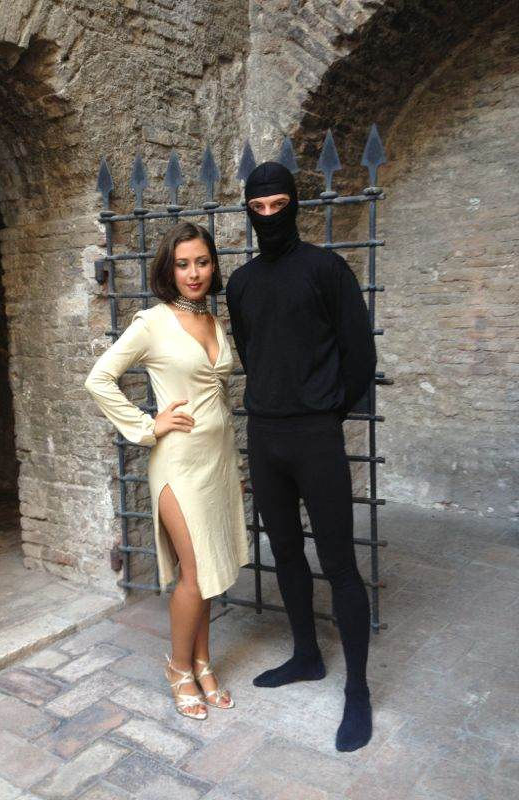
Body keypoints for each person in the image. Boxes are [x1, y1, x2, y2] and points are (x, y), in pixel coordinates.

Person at [226, 162, 376, 752]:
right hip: (265, 436)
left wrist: (325, 412)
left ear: (295, 205)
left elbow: (359, 355)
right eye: (258, 207)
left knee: (339, 563)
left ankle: (358, 690)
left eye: (278, 205)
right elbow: (252, 350)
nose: (269, 215)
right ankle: (307, 656)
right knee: (284, 550)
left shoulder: (326, 270)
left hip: (316, 436)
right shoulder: (241, 283)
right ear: (249, 210)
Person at [85, 221, 249, 720]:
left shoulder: (214, 321)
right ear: (168, 269)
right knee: (194, 574)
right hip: (178, 463)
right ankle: (178, 668)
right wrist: (146, 426)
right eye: (182, 264)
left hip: (217, 462)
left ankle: (202, 664)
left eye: (201, 262)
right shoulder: (153, 323)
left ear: (213, 265)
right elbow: (99, 378)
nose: (193, 273)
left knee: (208, 571)